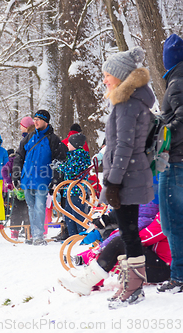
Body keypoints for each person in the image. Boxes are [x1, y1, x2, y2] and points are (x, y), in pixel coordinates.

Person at [99, 46, 155, 308]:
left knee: (129, 232)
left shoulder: (127, 105)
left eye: (107, 75)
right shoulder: (131, 102)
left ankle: (134, 287)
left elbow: (123, 147)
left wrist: (113, 182)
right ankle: (131, 283)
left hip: (126, 178)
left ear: (120, 76)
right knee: (128, 231)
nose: (104, 80)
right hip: (131, 175)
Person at [59, 213, 171, 297]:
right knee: (120, 242)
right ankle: (90, 278)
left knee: (120, 242)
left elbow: (148, 236)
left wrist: (120, 237)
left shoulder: (170, 215)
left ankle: (87, 280)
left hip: (166, 270)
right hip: (161, 265)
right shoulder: (167, 211)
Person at [12, 110, 67, 245]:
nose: (35, 122)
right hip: (27, 179)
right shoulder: (29, 137)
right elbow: (19, 155)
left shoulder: (53, 140)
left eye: (39, 119)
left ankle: (38, 236)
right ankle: (34, 234)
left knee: (39, 207)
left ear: (45, 122)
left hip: (43, 180)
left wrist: (56, 179)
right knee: (31, 207)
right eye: (34, 119)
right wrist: (16, 175)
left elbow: (61, 160)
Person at [158, 34, 183, 293]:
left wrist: (163, 137)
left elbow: (181, 121)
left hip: (175, 162)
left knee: (172, 222)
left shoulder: (177, 82)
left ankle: (179, 276)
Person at [2, 117, 33, 238]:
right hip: (19, 186)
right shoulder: (14, 159)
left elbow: (5, 170)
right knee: (20, 209)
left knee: (25, 209)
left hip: (25, 184)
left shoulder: (28, 140)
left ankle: (26, 230)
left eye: (21, 125)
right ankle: (18, 230)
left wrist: (10, 182)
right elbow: (5, 170)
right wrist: (10, 182)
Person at [55, 133, 91, 236]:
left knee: (77, 214)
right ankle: (73, 235)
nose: (67, 145)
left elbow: (72, 170)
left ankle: (81, 235)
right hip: (70, 190)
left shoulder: (80, 156)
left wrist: (59, 167)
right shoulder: (73, 155)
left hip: (76, 190)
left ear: (75, 144)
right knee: (69, 214)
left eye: (69, 143)